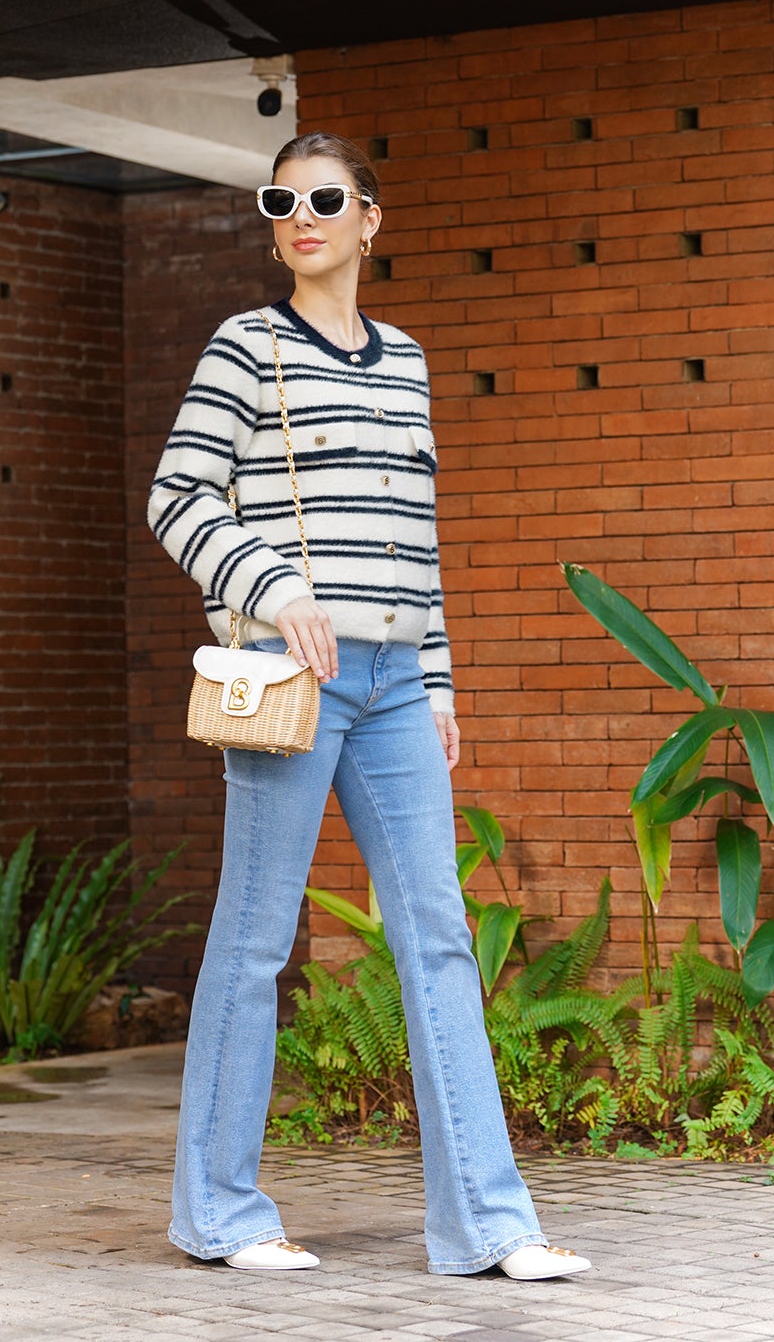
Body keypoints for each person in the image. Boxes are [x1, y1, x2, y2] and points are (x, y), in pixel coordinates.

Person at [148, 130, 591, 1281]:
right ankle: (220, 1213)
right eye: (281, 202)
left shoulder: (406, 361)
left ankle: (488, 1226)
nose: (301, 217)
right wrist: (272, 586)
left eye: (325, 199)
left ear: (370, 219)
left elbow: (413, 540)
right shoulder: (245, 347)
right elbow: (178, 497)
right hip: (293, 677)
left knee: (438, 938)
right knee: (256, 941)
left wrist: (436, 678)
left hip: (394, 685)